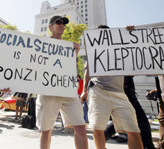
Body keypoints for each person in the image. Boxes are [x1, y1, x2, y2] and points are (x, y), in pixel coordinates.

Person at [81, 25, 143, 149]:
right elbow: (87, 72)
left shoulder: (120, 49)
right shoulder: (94, 51)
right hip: (98, 91)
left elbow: (135, 52)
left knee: (134, 130)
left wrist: (130, 34)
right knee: (97, 128)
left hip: (119, 93)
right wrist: (84, 91)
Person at [36, 15, 88, 149]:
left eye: (63, 24)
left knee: (81, 127)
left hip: (68, 92)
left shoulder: (68, 47)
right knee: (46, 131)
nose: (61, 25)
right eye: (58, 23)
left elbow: (66, 67)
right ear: (50, 26)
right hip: (48, 92)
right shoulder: (41, 44)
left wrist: (74, 53)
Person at [104, 76, 155, 148]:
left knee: (119, 122)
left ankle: (100, 140)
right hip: (125, 92)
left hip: (126, 91)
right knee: (142, 122)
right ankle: (148, 146)